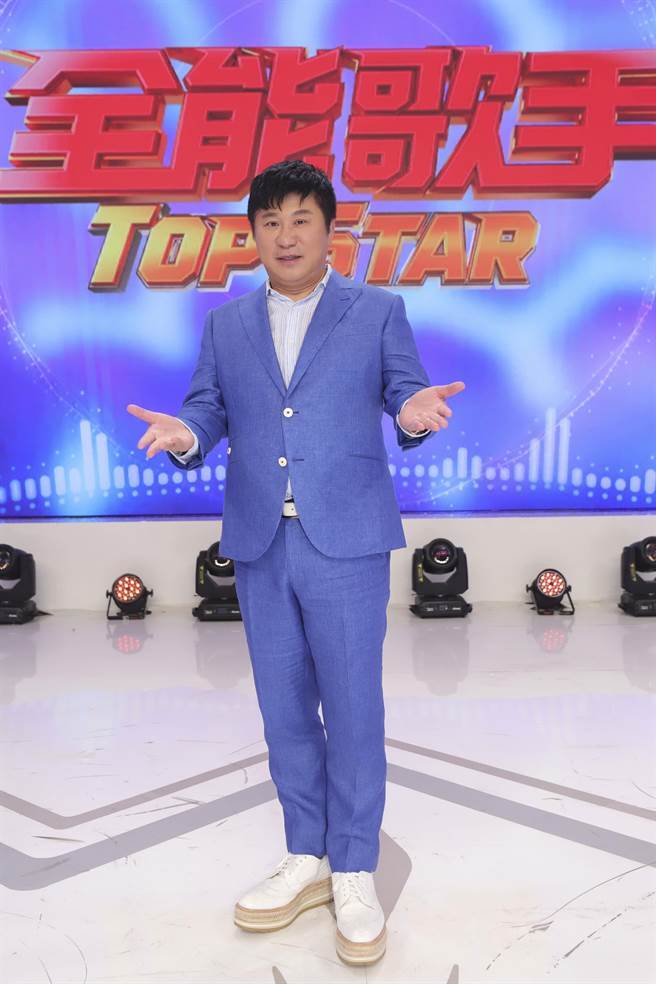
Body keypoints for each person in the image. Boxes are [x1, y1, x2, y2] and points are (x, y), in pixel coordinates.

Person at [127, 159, 465, 967]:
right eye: (270, 221)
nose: (286, 235)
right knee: (282, 712)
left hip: (345, 539)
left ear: (329, 229)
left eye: (301, 219)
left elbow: (405, 391)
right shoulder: (226, 326)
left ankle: (353, 867)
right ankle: (305, 854)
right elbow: (207, 408)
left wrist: (414, 414)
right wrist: (186, 434)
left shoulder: (377, 310)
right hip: (260, 541)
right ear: (252, 233)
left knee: (352, 708)